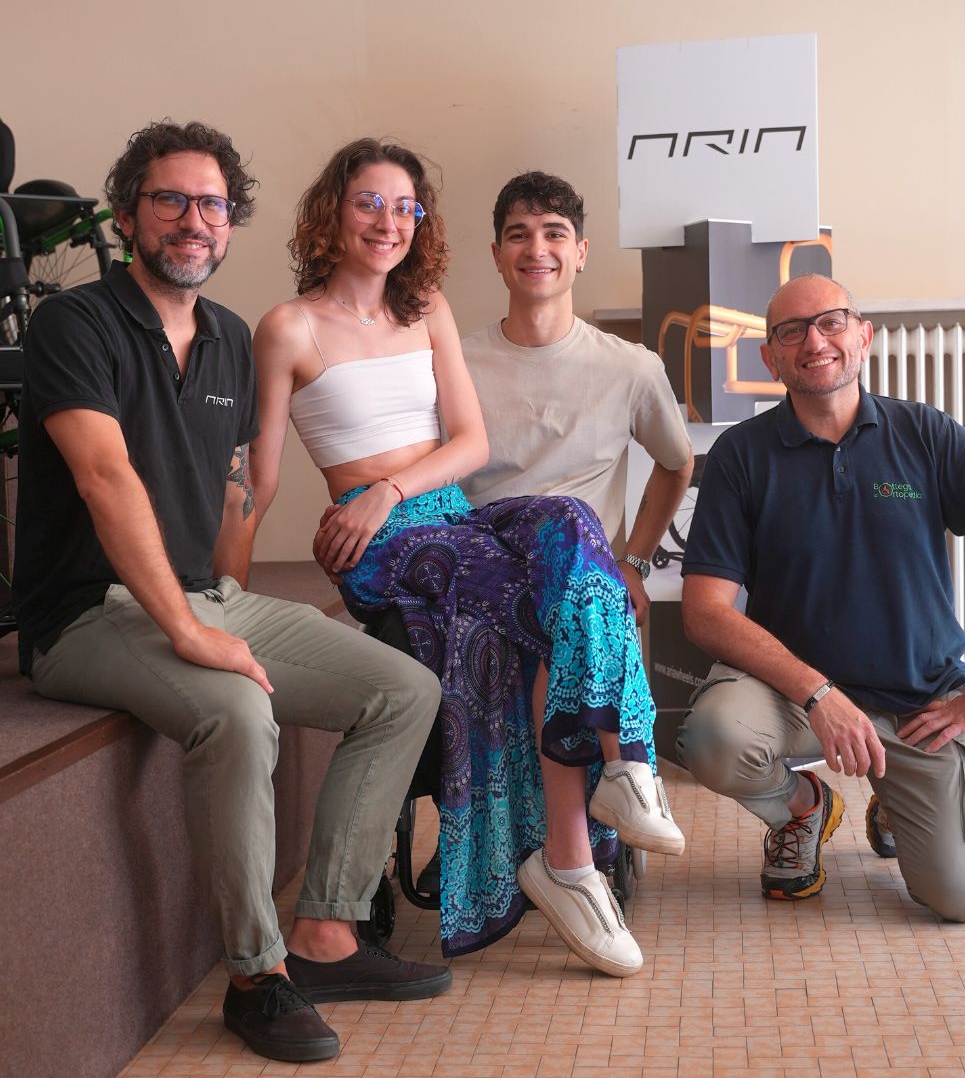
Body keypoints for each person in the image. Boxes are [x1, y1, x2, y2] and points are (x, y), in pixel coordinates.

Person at [11, 121, 451, 1066]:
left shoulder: (224, 338)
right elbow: (105, 479)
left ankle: (326, 933)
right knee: (240, 712)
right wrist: (191, 629)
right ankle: (256, 976)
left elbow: (235, 491)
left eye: (212, 204)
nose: (194, 221)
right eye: (170, 200)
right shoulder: (75, 325)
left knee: (404, 690)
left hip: (198, 594)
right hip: (87, 613)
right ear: (128, 214)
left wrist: (227, 605)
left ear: (231, 221)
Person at [251, 139, 683, 978]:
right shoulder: (288, 326)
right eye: (370, 203)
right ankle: (573, 859)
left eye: (405, 207)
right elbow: (259, 481)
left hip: (449, 514)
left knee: (570, 526)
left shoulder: (427, 309)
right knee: (534, 610)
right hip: (381, 541)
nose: (389, 222)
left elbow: (471, 443)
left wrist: (395, 488)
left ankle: (620, 779)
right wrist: (225, 599)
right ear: (332, 213)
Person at [676, 273, 965, 921]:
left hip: (918, 700)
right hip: (794, 696)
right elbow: (705, 611)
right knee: (713, 738)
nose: (815, 341)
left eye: (831, 322)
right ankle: (804, 808)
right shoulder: (741, 455)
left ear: (863, 336)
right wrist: (819, 693)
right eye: (791, 331)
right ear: (770, 358)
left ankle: (897, 801)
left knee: (960, 897)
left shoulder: (925, 434)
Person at [460, 171, 694, 625]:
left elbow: (677, 463)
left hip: (584, 598)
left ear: (581, 253)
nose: (537, 249)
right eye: (518, 235)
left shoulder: (632, 367)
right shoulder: (454, 365)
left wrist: (635, 563)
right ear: (497, 255)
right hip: (479, 594)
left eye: (555, 233)